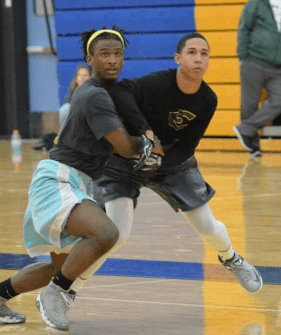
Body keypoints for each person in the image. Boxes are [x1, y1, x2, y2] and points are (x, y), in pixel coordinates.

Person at [0, 26, 162, 332]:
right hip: (58, 180)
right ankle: (56, 295)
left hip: (74, 181)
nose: (112, 60)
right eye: (105, 54)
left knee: (59, 267)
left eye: (118, 54)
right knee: (106, 234)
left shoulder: (103, 94)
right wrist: (149, 144)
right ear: (90, 58)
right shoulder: (95, 95)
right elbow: (125, 147)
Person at [62, 32, 263, 297]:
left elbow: (188, 145)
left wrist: (158, 160)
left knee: (208, 227)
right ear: (178, 58)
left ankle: (231, 258)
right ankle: (66, 290)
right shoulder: (157, 83)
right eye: (192, 52)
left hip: (172, 161)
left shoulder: (208, 99)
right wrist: (145, 133)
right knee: (116, 235)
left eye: (204, 54)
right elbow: (120, 90)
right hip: (127, 157)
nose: (199, 59)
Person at [233, 0, 281, 158]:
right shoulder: (256, 3)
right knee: (249, 104)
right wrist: (243, 57)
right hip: (254, 61)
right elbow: (244, 27)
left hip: (277, 66)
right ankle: (253, 146)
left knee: (279, 100)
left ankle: (245, 129)